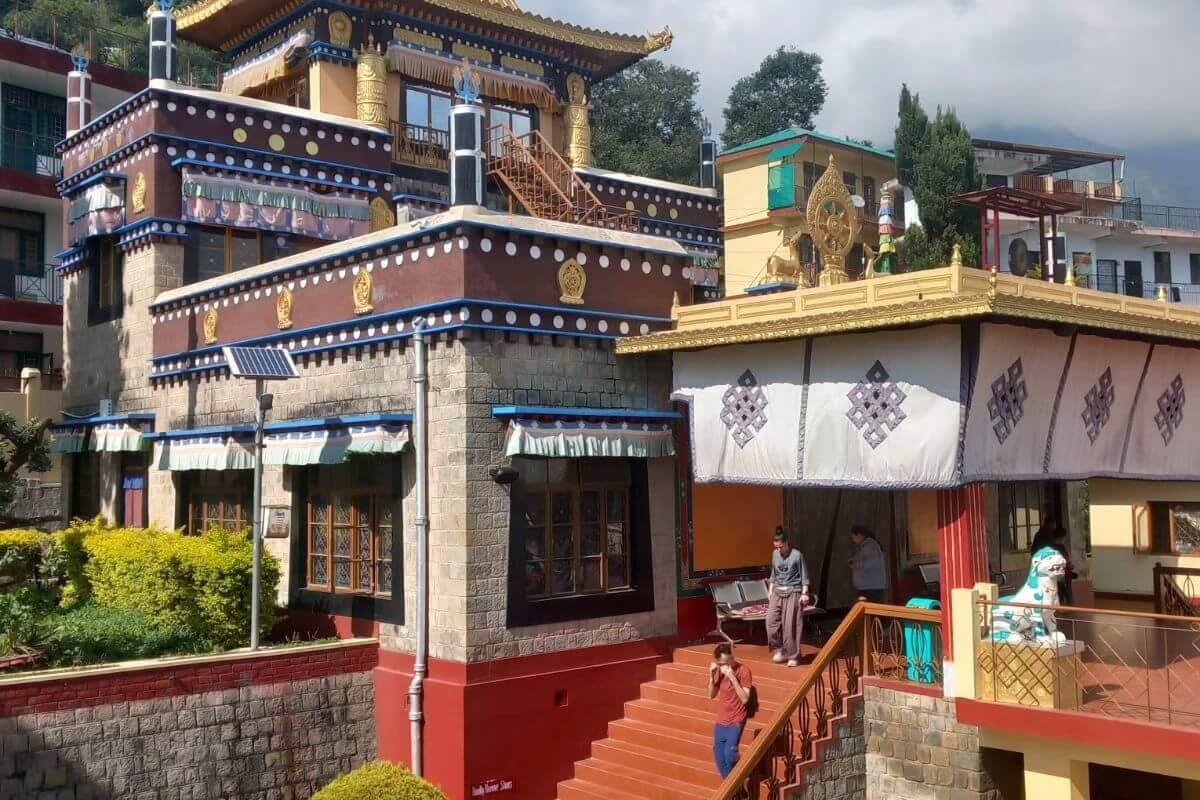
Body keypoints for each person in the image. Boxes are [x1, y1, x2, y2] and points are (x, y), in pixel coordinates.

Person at [767, 526, 811, 667]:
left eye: (780, 547)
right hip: (777, 591)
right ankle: (779, 650)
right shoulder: (774, 554)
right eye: (776, 547)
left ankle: (793, 655)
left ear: (786, 543)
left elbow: (804, 576)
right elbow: (774, 573)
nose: (778, 549)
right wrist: (770, 589)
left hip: (793, 591)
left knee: (790, 625)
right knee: (771, 621)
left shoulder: (797, 555)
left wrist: (804, 593)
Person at [708, 643, 753, 778]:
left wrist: (733, 677)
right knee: (719, 759)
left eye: (730, 661)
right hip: (721, 720)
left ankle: (736, 785)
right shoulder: (718, 671)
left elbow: (745, 698)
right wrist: (711, 676)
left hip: (736, 720)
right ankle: (735, 789)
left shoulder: (744, 671)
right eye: (724, 663)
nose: (728, 666)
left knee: (730, 755)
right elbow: (711, 695)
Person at [849, 524, 886, 603]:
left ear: (859, 535)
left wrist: (855, 564)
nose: (853, 540)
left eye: (853, 537)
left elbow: (872, 563)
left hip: (871, 587)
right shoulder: (867, 546)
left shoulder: (870, 546)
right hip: (868, 586)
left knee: (869, 611)